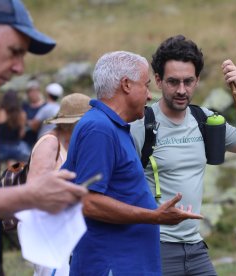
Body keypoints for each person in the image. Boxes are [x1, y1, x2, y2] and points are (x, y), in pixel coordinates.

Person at [129, 35, 236, 276]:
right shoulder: (141, 125)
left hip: (195, 247)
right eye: (173, 82)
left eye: (188, 81)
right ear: (158, 81)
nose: (182, 90)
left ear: (197, 81)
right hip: (155, 247)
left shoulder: (204, 120)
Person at [62, 51, 203, 276]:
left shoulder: (113, 127)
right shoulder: (99, 129)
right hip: (111, 266)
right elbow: (88, 201)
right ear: (126, 85)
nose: (149, 96)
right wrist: (154, 217)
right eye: (146, 85)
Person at [0, 0, 88, 274]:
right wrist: (36, 195)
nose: (19, 68)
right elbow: (36, 189)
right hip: (45, 232)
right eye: (14, 51)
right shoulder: (50, 142)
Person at [26, 93, 91, 276]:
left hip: (66, 229)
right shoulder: (50, 143)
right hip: (50, 231)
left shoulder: (72, 143)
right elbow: (34, 189)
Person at [0, 89, 30, 168]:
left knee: (2, 163)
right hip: (16, 148)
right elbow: (21, 134)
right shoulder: (21, 114)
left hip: (1, 147)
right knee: (19, 163)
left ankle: (2, 175)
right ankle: (12, 173)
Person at [22, 79, 46, 149]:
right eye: (31, 91)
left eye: (35, 91)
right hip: (26, 139)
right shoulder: (24, 106)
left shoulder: (44, 106)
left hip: (40, 139)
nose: (33, 94)